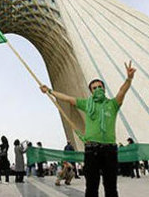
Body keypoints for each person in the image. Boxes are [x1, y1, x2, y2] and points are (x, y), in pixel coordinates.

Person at [41, 61, 136, 197]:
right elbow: (68, 99)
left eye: (100, 87)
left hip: (110, 150)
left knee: (111, 187)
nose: (97, 89)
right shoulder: (87, 104)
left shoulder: (112, 105)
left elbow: (122, 91)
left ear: (104, 89)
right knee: (91, 187)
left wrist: (129, 78)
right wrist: (49, 91)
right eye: (94, 88)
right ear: (91, 91)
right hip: (92, 150)